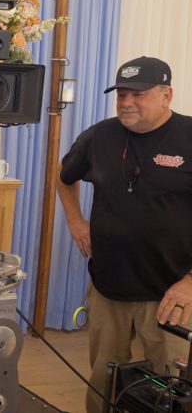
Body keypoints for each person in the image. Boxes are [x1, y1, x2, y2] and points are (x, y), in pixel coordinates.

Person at [56, 56, 192, 412]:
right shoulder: (99, 136)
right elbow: (64, 175)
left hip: (171, 293)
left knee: (171, 392)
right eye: (122, 95)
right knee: (104, 382)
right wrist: (75, 221)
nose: (127, 103)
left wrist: (190, 281)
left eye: (138, 94)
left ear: (167, 95)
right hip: (108, 288)